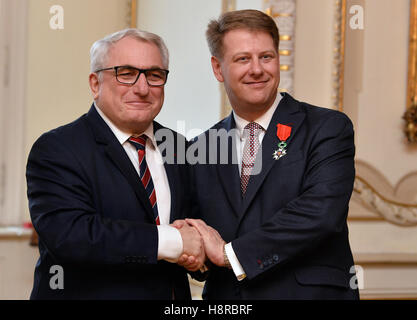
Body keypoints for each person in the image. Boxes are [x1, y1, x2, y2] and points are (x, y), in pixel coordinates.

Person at [182, 9, 359, 299]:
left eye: (266, 56)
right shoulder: (200, 148)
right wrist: (195, 255)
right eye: (242, 59)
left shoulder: (327, 128)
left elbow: (321, 214)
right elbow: (200, 236)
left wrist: (230, 255)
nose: (257, 69)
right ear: (217, 68)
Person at [26, 28, 204, 300]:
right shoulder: (57, 149)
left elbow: (195, 226)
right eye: (126, 73)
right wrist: (175, 242)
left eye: (154, 75)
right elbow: (72, 236)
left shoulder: (179, 147)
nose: (142, 88)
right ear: (95, 84)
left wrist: (199, 255)